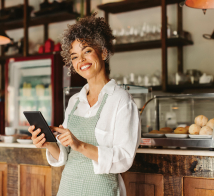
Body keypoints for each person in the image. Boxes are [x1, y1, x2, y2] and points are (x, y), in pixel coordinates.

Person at [28, 13, 141, 196]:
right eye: (74, 56)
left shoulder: (121, 100)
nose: (80, 61)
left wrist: (80, 145)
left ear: (103, 52)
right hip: (68, 187)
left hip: (101, 189)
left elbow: (124, 159)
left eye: (87, 51)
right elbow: (63, 155)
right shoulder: (74, 101)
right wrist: (47, 143)